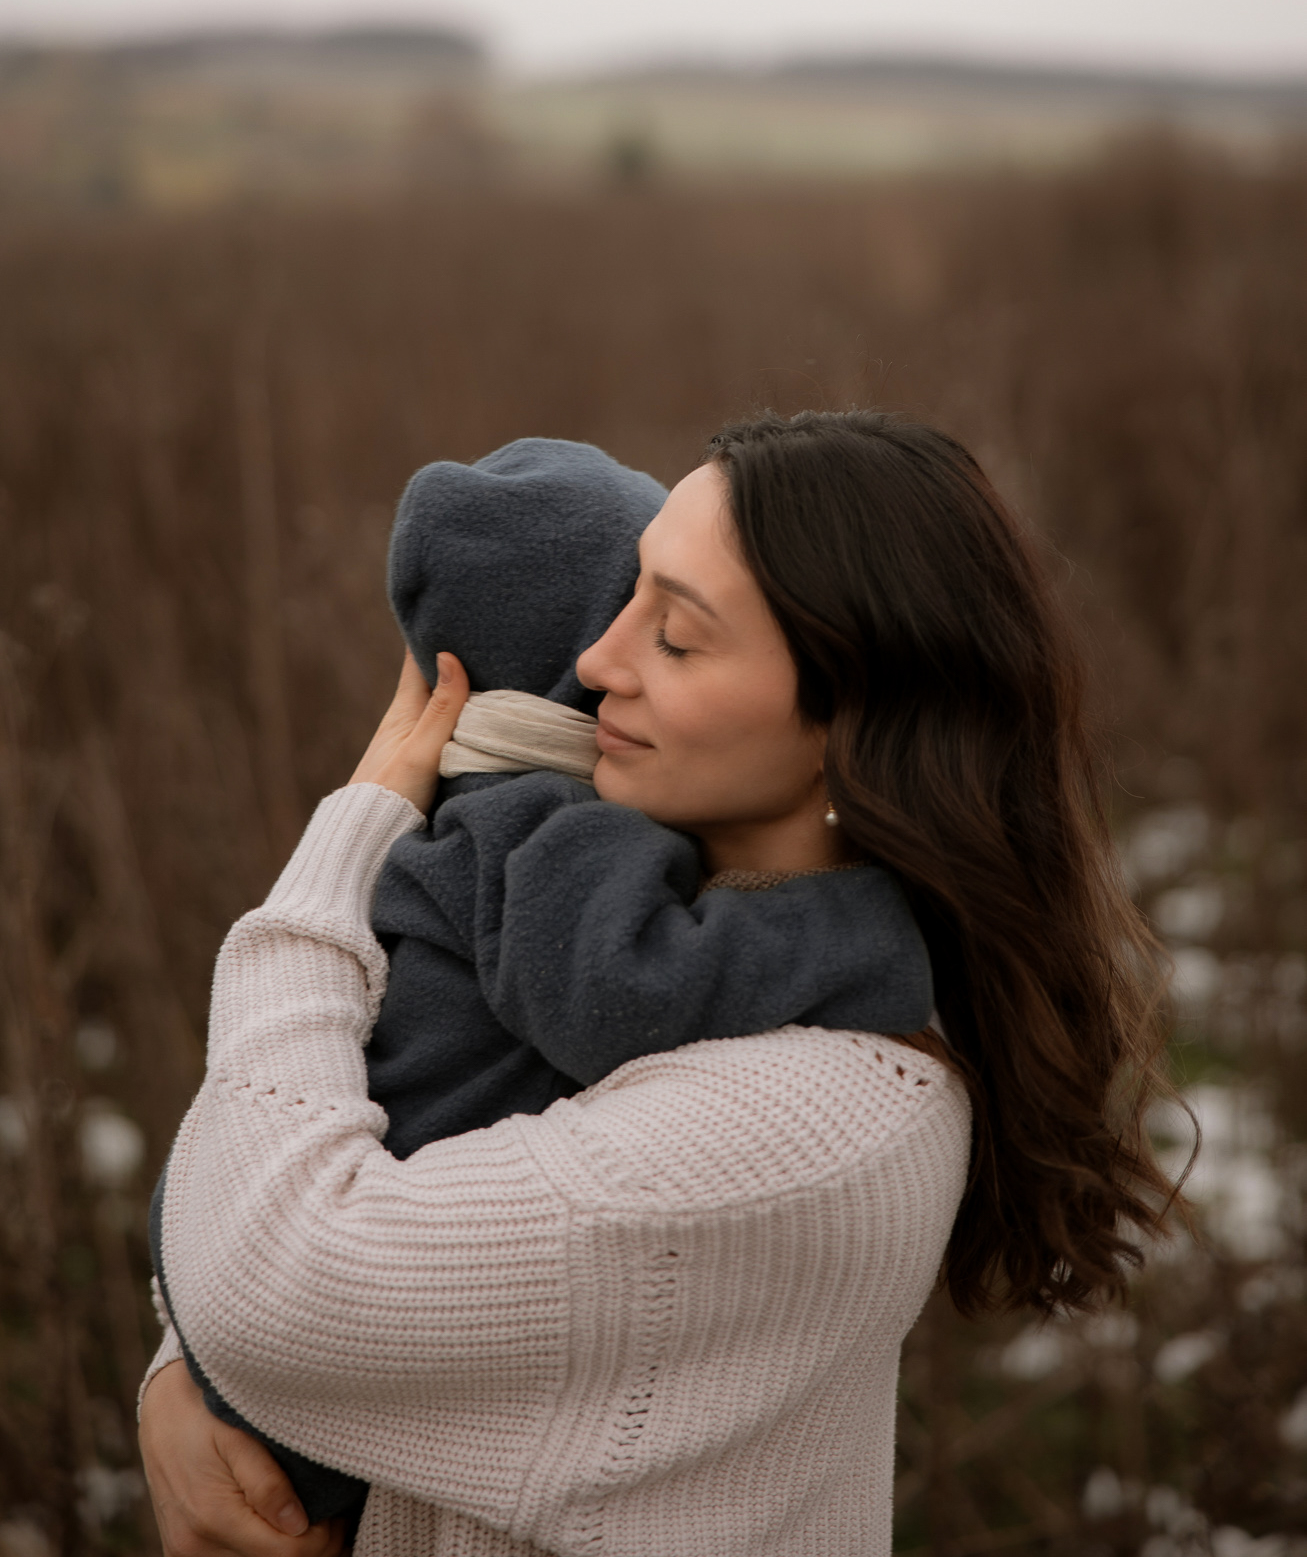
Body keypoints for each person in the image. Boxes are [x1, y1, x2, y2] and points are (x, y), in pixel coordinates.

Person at [139, 409, 1177, 1557]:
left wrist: (353, 833)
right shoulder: (657, 900)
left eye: (674, 638)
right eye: (626, 592)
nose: (593, 660)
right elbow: (293, 1215)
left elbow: (273, 1282)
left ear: (851, 721)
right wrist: (184, 1381)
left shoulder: (809, 1125)